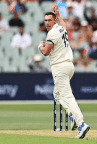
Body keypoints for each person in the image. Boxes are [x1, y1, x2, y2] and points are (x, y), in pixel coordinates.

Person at [38, 7, 90, 138]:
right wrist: (59, 16)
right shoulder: (61, 28)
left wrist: (40, 46)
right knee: (57, 94)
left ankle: (81, 124)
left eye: (50, 20)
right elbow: (65, 25)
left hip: (60, 67)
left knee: (67, 96)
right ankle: (72, 116)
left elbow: (45, 52)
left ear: (54, 21)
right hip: (68, 66)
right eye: (45, 20)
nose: (47, 23)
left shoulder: (52, 34)